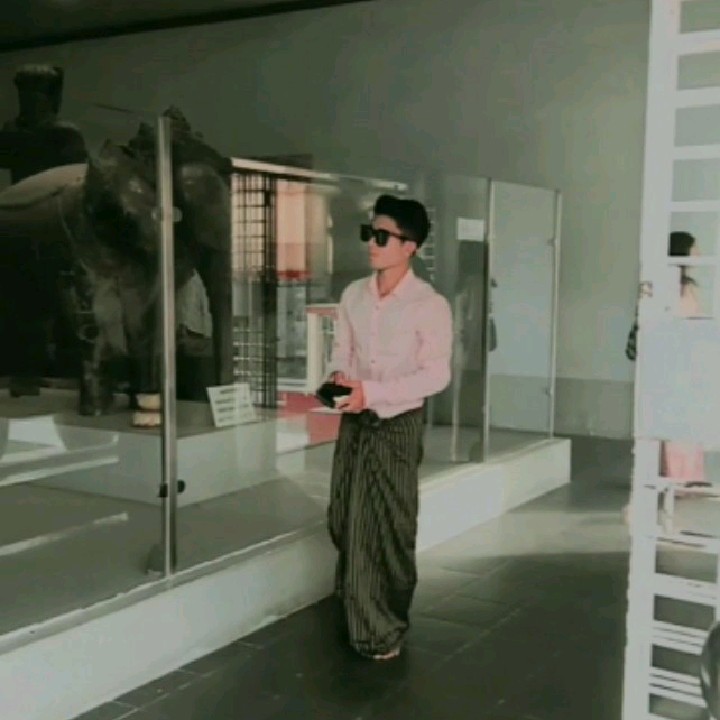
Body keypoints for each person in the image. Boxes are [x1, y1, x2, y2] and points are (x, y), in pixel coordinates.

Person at [325, 194, 453, 661]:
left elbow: (436, 375)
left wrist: (374, 393)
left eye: (382, 236)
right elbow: (341, 351)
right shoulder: (353, 295)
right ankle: (356, 602)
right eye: (369, 234)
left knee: (388, 529)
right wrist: (340, 379)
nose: (372, 244)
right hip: (355, 420)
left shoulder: (428, 305)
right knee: (344, 517)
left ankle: (382, 629)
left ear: (410, 247)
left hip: (397, 425)